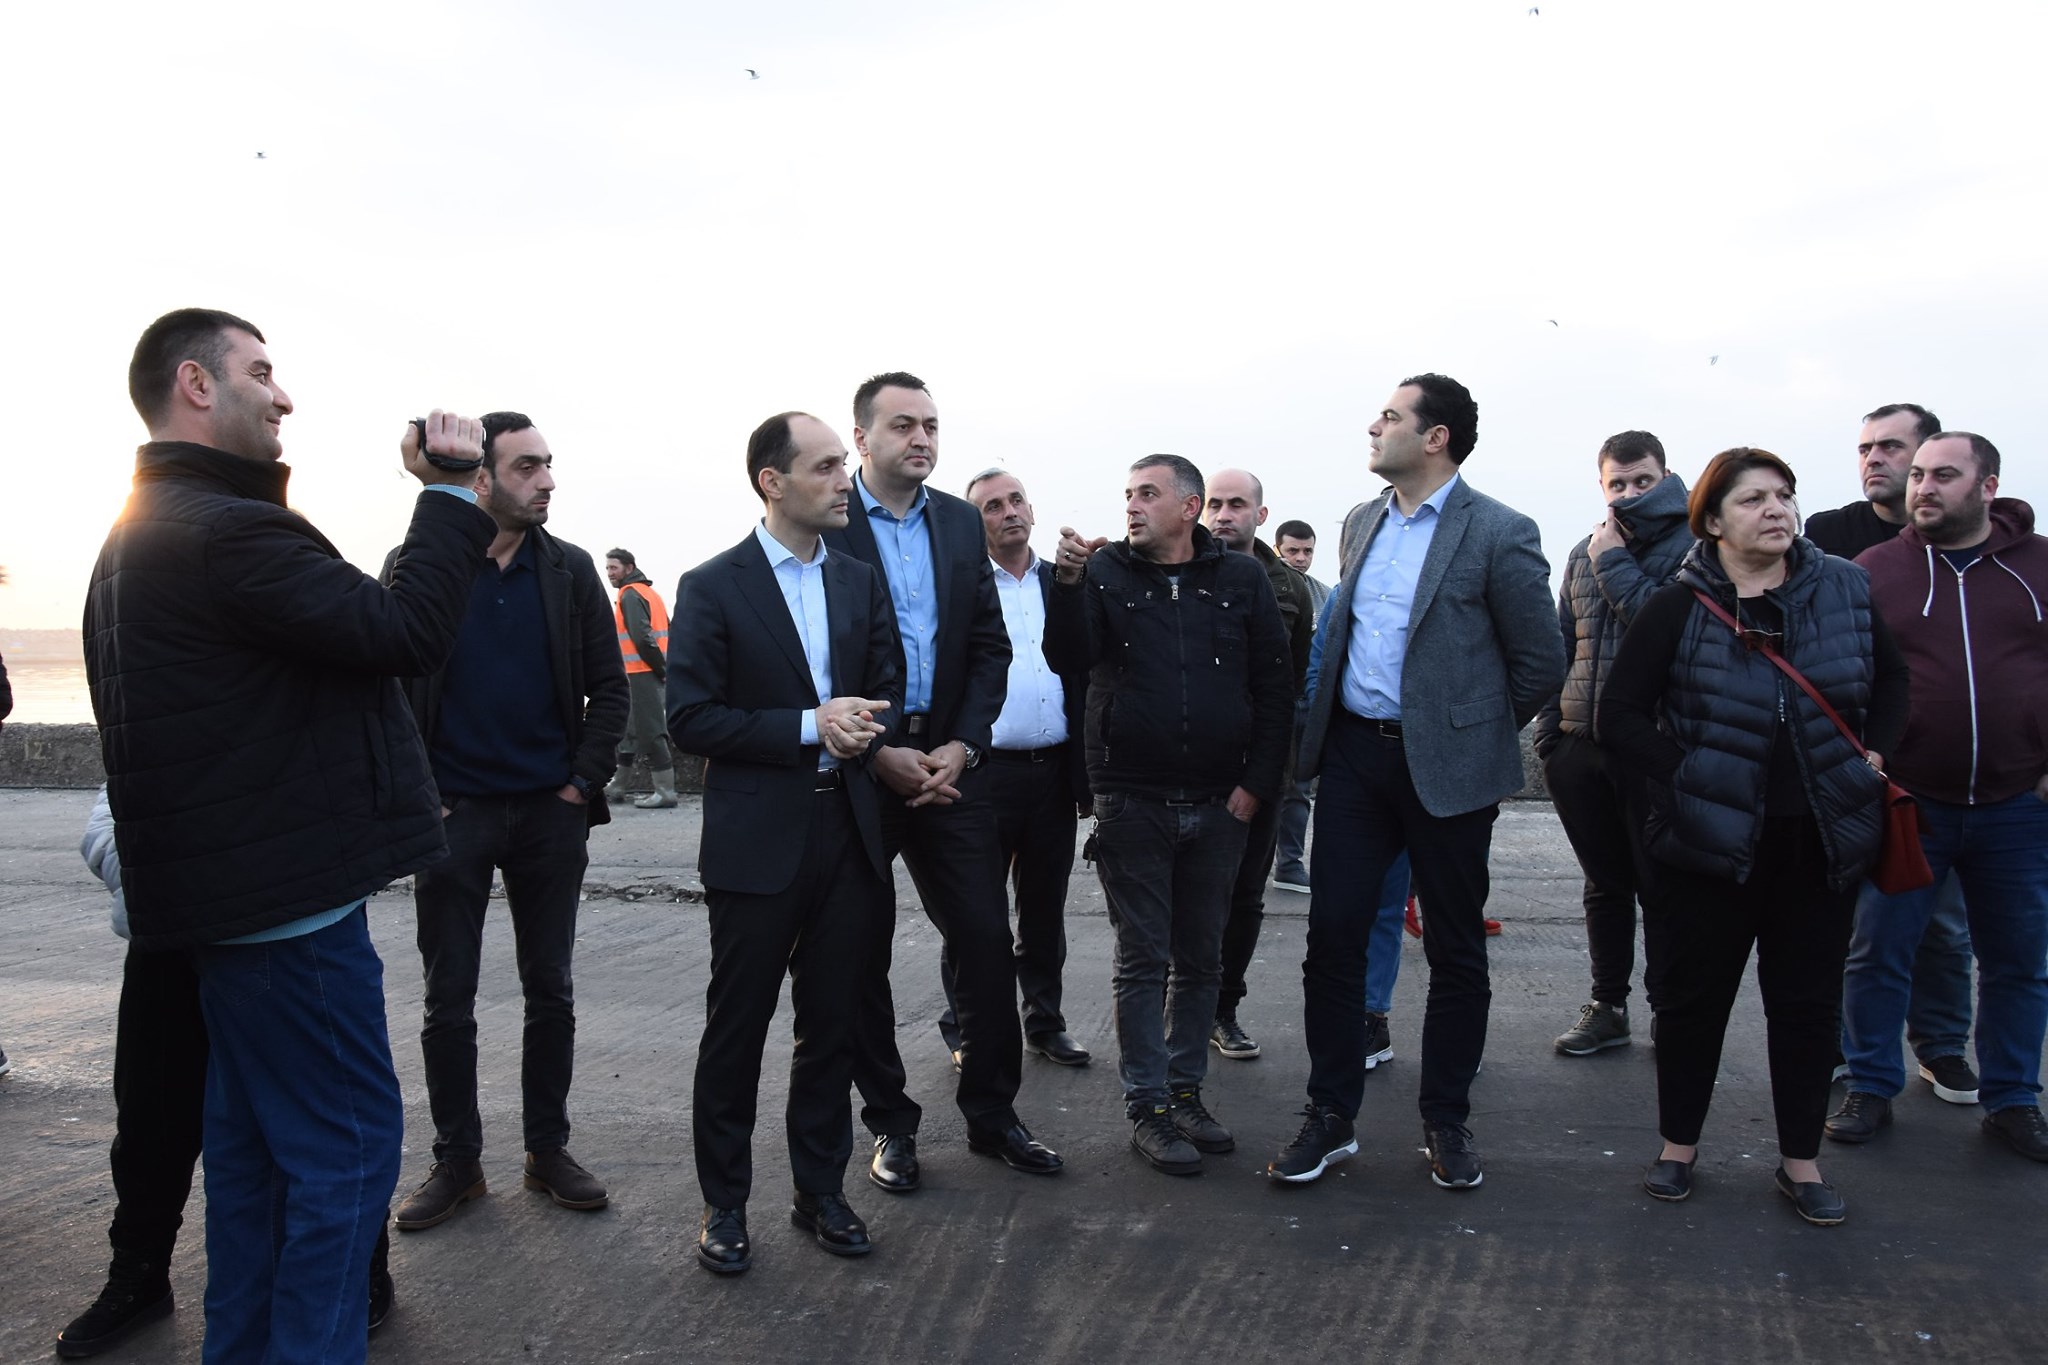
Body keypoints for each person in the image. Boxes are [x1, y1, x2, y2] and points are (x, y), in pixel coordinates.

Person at [84, 308, 494, 1362]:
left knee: (255, 1166)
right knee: (344, 1156)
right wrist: (449, 491)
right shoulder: (229, 531)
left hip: (224, 919)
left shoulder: (140, 532)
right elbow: (403, 632)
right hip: (288, 920)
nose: (284, 396)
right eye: (261, 372)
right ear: (196, 384)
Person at [1599, 447, 1908, 1225]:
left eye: (1784, 495)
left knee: (1806, 1005)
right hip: (1707, 842)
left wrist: (1876, 752)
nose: (1776, 509)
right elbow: (1620, 717)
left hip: (1819, 839)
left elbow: (1894, 681)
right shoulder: (1678, 606)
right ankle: (1678, 1147)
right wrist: (1688, 774)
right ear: (1711, 520)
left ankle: (1801, 1161)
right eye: (1752, 499)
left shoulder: (1845, 587)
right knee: (1692, 1002)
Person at [1272, 373, 1563, 1191]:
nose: (1375, 426)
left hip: (1449, 769)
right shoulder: (1361, 521)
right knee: (1332, 936)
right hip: (1356, 760)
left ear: (1435, 437)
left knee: (1455, 948)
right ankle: (1331, 1113)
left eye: (1391, 416)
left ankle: (1446, 1117)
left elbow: (1541, 661)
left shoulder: (1500, 530)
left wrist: (1464, 731)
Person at [383, 411, 629, 1232]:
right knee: (447, 997)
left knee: (549, 987)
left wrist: (581, 782)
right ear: (479, 478)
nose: (547, 480)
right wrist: (425, 792)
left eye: (548, 463)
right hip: (454, 815)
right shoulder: (420, 564)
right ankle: (458, 1162)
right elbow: (385, 690)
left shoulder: (569, 569)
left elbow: (611, 688)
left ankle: (546, 1150)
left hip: (549, 813)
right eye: (527, 467)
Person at [668, 411, 901, 1274]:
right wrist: (811, 723)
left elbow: (887, 688)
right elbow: (692, 717)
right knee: (737, 1029)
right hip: (756, 839)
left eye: (844, 464)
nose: (845, 480)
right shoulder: (712, 584)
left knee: (831, 1026)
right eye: (827, 465)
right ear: (773, 481)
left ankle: (820, 1190)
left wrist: (864, 724)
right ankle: (725, 1203)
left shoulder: (858, 579)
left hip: (849, 831)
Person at [825, 372, 1062, 1192]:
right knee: (861, 952)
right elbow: (812, 650)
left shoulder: (960, 522)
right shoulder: (830, 517)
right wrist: (876, 752)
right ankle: (891, 1124)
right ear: (862, 439)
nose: (921, 437)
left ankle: (994, 1116)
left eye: (930, 423)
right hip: (863, 768)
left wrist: (963, 743)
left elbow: (989, 645)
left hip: (951, 767)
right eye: (902, 424)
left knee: (987, 942)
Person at [59, 788, 396, 1357]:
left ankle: (361, 1271)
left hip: (268, 914)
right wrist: (168, 882)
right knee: (174, 1122)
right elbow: (113, 807)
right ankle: (140, 1271)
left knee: (284, 1144)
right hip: (207, 923)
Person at [1045, 455, 1293, 1175]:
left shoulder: (1241, 579)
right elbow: (1068, 658)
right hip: (1132, 799)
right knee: (1143, 959)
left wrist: (1256, 786)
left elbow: (1275, 688)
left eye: (1147, 494)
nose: (1131, 505)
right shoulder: (1103, 573)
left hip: (1221, 803)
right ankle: (1148, 1107)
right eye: (1127, 494)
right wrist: (1067, 585)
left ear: (1188, 507)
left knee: (1201, 959)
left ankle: (1186, 1094)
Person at [1832, 432, 2048, 1162]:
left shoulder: (2038, 566)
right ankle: (1869, 1085)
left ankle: (2013, 1100)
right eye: (1919, 474)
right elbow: (1845, 674)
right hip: (1910, 801)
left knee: (2019, 962)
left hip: (2018, 805)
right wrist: (1863, 763)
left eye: (1944, 475)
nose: (1923, 487)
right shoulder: (1875, 570)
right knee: (1878, 951)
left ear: (1988, 487)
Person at [1808, 403, 1978, 1108]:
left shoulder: (1962, 546)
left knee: (1942, 922)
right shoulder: (1830, 535)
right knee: (1847, 922)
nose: (1874, 459)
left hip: (1942, 772)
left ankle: (1940, 1046)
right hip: (1848, 765)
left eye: (1890, 447)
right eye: (1864, 448)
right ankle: (1847, 1056)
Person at [1531, 430, 1692, 1056]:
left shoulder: (1696, 546)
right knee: (1604, 884)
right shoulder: (1584, 550)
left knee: (1663, 885)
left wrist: (1613, 562)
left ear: (1665, 477)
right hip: (1581, 748)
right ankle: (1609, 1005)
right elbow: (1560, 646)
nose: (1628, 494)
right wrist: (1552, 736)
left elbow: (1667, 632)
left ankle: (1670, 1009)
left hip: (1655, 747)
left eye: (1641, 481)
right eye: (1616, 484)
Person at [944, 468, 1092, 1068]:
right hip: (982, 772)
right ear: (972, 523)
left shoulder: (1065, 583)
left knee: (1044, 908)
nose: (1009, 512)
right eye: (991, 506)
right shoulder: (961, 589)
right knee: (974, 911)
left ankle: (1045, 1022)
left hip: (1052, 771)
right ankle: (967, 1027)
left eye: (1016, 500)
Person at [1201, 469, 1313, 1063]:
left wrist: (1271, 767)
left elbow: (1292, 682)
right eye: (1215, 504)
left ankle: (1224, 1009)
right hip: (1188, 764)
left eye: (1237, 504)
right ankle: (1178, 1004)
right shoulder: (1177, 567)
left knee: (1245, 895)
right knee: (1183, 896)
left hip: (1261, 765)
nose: (1224, 515)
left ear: (1260, 515)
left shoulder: (1289, 587)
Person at [1270, 519, 1330, 896]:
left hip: (1306, 701)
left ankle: (1289, 864)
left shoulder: (1323, 594)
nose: (1301, 558)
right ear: (1277, 549)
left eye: (1307, 551)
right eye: (1293, 550)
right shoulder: (1262, 584)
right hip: (1269, 702)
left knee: (1298, 788)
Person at [604, 547, 678, 808]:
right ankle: (618, 785)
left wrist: (662, 669)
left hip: (642, 672)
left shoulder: (630, 594)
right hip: (642, 672)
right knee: (630, 732)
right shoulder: (649, 593)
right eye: (607, 568)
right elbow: (669, 629)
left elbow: (642, 637)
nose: (609, 573)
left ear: (629, 568)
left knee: (651, 730)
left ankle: (665, 791)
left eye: (614, 567)